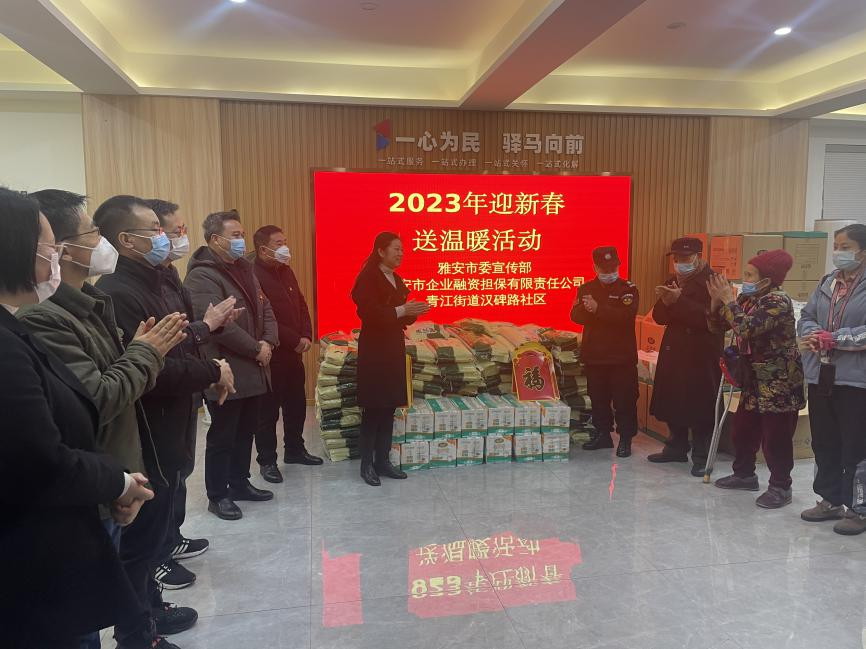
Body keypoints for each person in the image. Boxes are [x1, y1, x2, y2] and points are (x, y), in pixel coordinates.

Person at [18, 190, 196, 647]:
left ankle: (142, 628)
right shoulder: (42, 317)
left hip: (117, 469)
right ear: (58, 249)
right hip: (92, 481)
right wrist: (146, 352)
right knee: (85, 617)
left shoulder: (91, 300)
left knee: (129, 564)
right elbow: (96, 398)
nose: (101, 242)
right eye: (93, 233)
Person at [0, 187, 154, 648]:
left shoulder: (14, 327)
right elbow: (41, 458)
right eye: (48, 246)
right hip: (33, 558)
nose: (54, 256)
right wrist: (117, 481)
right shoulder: (11, 343)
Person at [93, 195, 238, 642]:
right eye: (157, 230)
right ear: (126, 239)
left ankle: (151, 611)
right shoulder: (120, 291)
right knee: (141, 542)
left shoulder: (159, 277)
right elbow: (155, 370)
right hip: (148, 432)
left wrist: (207, 351)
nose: (168, 237)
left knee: (156, 531)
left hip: (173, 421)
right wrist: (212, 370)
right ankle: (138, 632)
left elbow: (179, 342)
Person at [143, 198, 239, 590]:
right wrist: (210, 336)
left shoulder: (167, 276)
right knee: (161, 478)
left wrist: (204, 366)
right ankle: (156, 558)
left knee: (178, 472)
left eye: (181, 231)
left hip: (184, 392)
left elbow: (184, 336)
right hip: (159, 401)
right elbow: (160, 352)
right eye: (172, 231)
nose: (179, 238)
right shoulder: (129, 287)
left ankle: (172, 538)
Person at [184, 210, 279, 519]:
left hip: (254, 366)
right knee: (223, 435)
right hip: (226, 367)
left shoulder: (244, 268)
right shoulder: (202, 275)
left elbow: (265, 308)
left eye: (242, 234)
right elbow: (218, 324)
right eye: (235, 236)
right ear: (216, 239)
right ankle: (218, 494)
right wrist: (256, 348)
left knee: (246, 430)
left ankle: (239, 482)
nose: (241, 241)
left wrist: (268, 342)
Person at [706, 249, 805, 508]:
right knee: (743, 429)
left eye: (750, 275)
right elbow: (718, 327)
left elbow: (746, 328)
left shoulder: (777, 301)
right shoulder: (749, 298)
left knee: (776, 437)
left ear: (767, 280)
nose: (744, 279)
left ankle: (781, 486)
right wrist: (716, 303)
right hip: (753, 378)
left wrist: (729, 301)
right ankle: (744, 474)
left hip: (778, 381)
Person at [798, 223, 866, 535]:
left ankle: (858, 508)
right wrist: (814, 334)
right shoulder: (828, 282)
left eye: (845, 247)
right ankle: (830, 500)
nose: (838, 252)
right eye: (836, 246)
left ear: (862, 252)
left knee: (856, 445)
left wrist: (834, 339)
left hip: (856, 380)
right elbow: (806, 316)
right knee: (824, 441)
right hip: (822, 374)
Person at [351, 232, 430, 486]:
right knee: (374, 408)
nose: (400, 254)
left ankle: (383, 461)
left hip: (393, 347)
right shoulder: (368, 277)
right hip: (375, 349)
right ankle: (366, 464)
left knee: (389, 407)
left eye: (402, 250)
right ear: (380, 251)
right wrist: (402, 309)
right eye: (396, 249)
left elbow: (400, 314)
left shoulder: (396, 278)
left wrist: (412, 311)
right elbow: (370, 313)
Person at [648, 237, 724, 476]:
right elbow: (659, 317)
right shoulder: (673, 279)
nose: (680, 262)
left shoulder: (714, 281)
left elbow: (714, 320)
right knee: (673, 398)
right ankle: (675, 447)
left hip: (701, 352)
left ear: (698, 256)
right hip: (675, 349)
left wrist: (679, 301)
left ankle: (702, 455)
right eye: (677, 258)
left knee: (701, 404)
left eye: (686, 257)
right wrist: (666, 301)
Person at [252, 225, 322, 484]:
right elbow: (264, 318)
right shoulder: (254, 275)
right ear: (263, 249)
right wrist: (295, 339)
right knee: (268, 412)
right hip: (273, 354)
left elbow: (301, 304)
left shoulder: (286, 270)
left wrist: (307, 334)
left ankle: (294, 449)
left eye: (285, 241)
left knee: (296, 404)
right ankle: (267, 461)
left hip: (294, 354)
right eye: (278, 243)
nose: (285, 247)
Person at [570, 246, 640, 458]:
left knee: (625, 400)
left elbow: (625, 316)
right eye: (604, 268)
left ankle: (625, 438)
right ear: (595, 267)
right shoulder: (586, 289)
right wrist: (589, 309)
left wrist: (598, 309)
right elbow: (576, 316)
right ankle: (603, 434)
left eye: (613, 268)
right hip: (595, 355)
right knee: (598, 398)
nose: (609, 272)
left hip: (621, 357)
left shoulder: (628, 289)